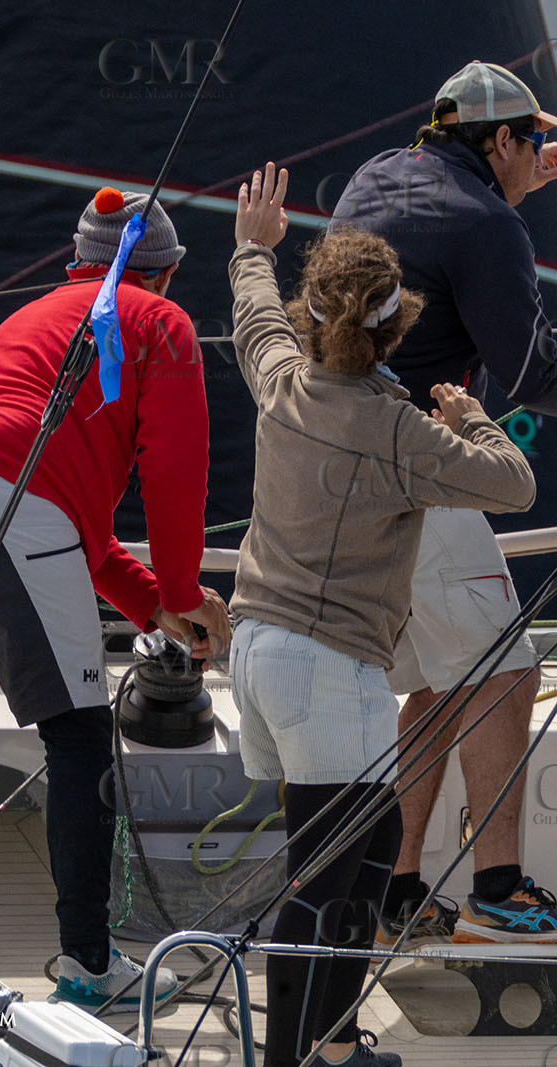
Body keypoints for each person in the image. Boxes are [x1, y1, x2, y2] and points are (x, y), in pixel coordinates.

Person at [0, 186, 231, 1012]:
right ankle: (89, 964)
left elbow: (85, 537)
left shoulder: (41, 315)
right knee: (77, 736)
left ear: (80, 266)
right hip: (7, 500)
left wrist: (154, 607)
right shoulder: (161, 321)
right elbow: (174, 474)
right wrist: (184, 590)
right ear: (167, 273)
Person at [231, 163, 536, 1066]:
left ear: (315, 317)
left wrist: (255, 246)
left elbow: (254, 311)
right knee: (328, 880)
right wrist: (475, 416)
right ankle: (300, 1056)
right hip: (331, 669)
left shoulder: (280, 380)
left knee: (358, 864)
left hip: (257, 655)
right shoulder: (401, 431)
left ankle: (329, 1044)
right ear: (397, 325)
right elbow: (513, 484)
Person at [331, 61, 557, 944]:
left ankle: (395, 892)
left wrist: (515, 186)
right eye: (533, 141)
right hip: (417, 467)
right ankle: (499, 891)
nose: (542, 154)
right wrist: (510, 207)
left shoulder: (372, 176)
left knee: (433, 680)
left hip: (338, 466)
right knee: (506, 669)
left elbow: (441, 251)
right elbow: (532, 369)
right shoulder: (486, 220)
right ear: (497, 141)